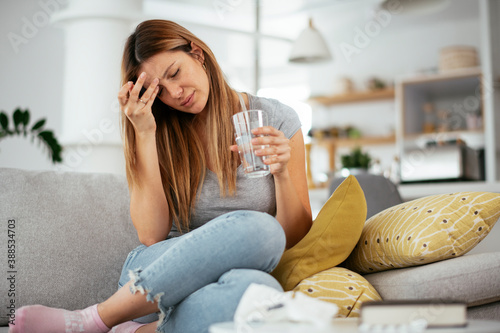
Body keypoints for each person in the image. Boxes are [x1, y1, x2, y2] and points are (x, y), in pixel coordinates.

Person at [10, 19, 312, 333]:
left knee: (261, 290)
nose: (176, 94)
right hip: (151, 280)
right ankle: (94, 319)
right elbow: (152, 235)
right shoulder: (160, 130)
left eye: (174, 73)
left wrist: (281, 174)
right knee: (260, 228)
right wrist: (144, 133)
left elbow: (294, 234)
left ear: (197, 53)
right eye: (161, 91)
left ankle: (137, 331)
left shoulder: (276, 118)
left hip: (227, 284)